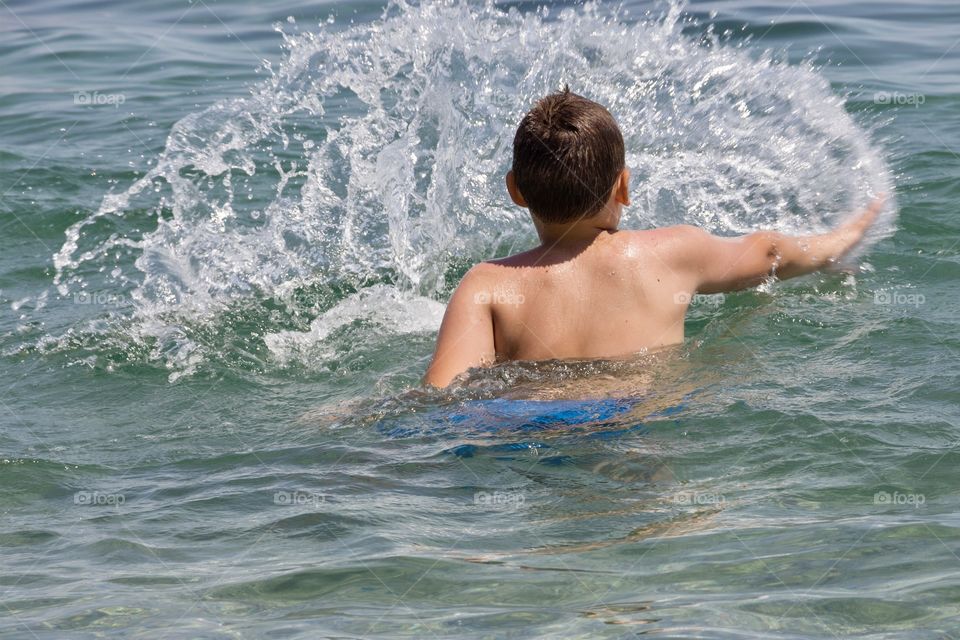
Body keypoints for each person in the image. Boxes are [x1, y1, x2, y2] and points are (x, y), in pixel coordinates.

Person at [424, 88, 883, 388]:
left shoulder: (486, 284)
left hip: (534, 431)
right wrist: (842, 238)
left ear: (515, 191)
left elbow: (441, 398)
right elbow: (770, 253)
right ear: (623, 185)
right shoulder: (672, 254)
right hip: (636, 420)